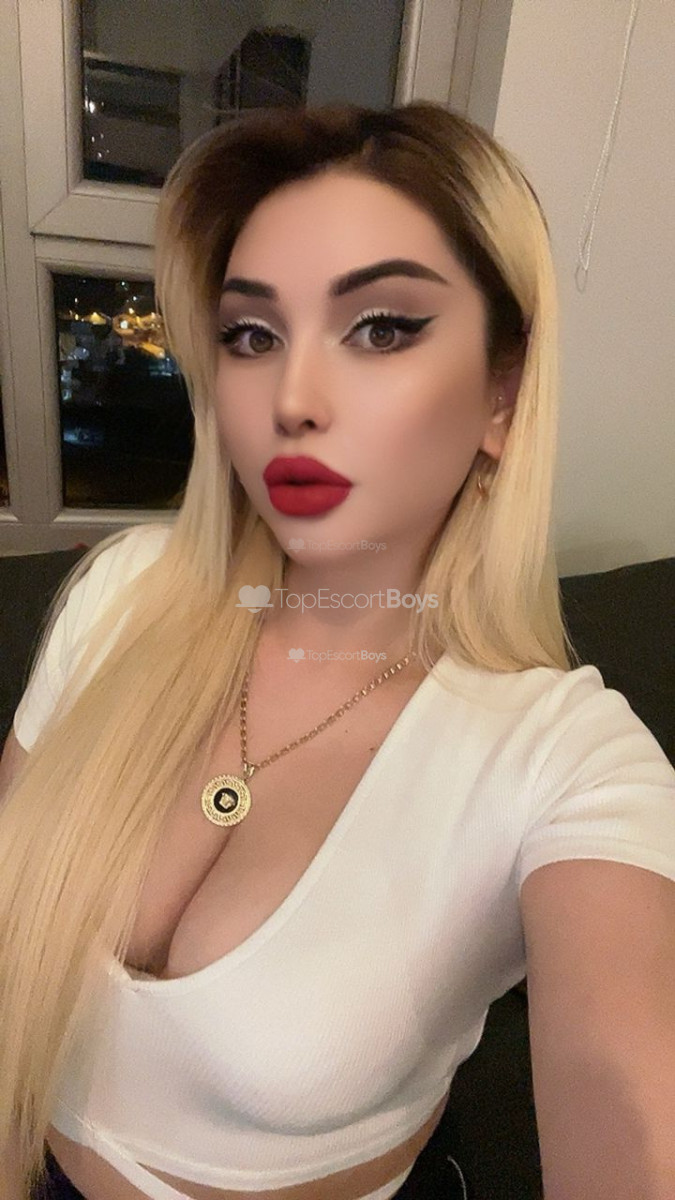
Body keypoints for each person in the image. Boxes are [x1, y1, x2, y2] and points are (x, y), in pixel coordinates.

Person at [1, 100, 674, 1200]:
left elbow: (630, 1111)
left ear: (502, 395)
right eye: (251, 336)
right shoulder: (124, 593)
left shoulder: (567, 763)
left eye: (382, 328)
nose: (293, 401)